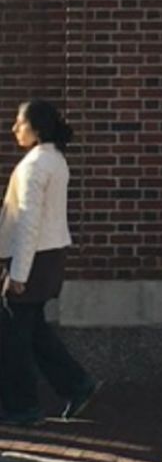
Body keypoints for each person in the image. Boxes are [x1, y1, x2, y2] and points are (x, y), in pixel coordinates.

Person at [0, 100, 97, 426]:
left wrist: (18, 274)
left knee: (12, 337)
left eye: (19, 123)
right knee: (32, 330)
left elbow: (29, 222)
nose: (14, 128)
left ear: (36, 127)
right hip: (48, 256)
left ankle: (22, 407)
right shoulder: (55, 160)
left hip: (33, 259)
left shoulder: (35, 166)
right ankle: (75, 384)